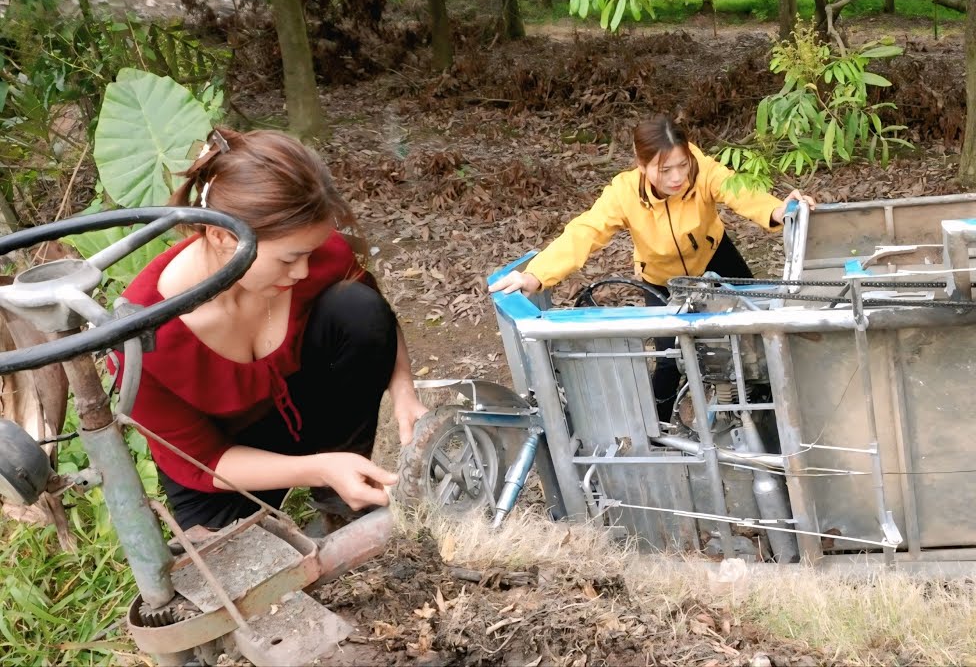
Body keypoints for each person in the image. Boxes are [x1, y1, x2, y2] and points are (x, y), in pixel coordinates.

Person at [118, 128, 428, 532]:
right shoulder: (142, 338)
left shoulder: (315, 256)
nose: (303, 271)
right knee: (235, 560)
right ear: (221, 237)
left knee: (356, 306)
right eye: (288, 259)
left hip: (305, 411)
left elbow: (374, 320)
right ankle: (330, 474)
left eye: (309, 253)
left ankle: (340, 498)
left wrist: (404, 391)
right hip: (228, 466)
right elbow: (205, 461)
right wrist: (317, 467)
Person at [489, 115, 817, 421]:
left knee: (756, 329)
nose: (677, 177)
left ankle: (771, 408)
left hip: (715, 257)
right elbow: (585, 232)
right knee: (669, 359)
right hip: (662, 279)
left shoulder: (702, 169)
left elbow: (741, 192)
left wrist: (778, 210)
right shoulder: (624, 193)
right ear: (641, 164)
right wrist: (536, 275)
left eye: (682, 165)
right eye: (664, 169)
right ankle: (660, 432)